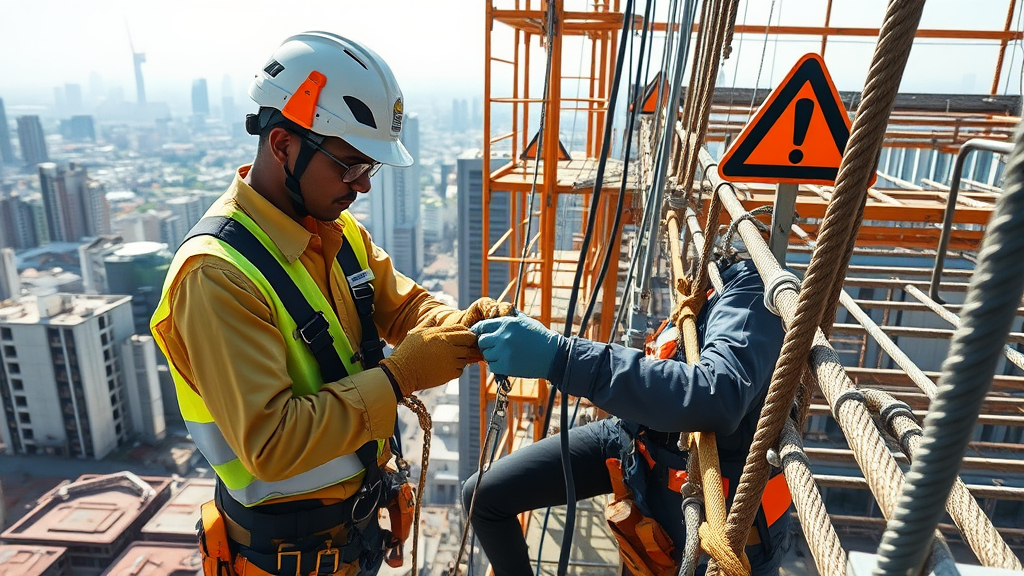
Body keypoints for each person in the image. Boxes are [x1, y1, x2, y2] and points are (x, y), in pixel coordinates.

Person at [151, 32, 507, 576]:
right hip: (282, 556)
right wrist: (397, 378)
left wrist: (459, 327)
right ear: (282, 145)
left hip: (352, 535)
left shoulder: (334, 232)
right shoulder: (216, 276)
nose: (361, 186)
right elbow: (272, 443)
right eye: (348, 166)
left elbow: (404, 308)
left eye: (370, 169)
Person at [466, 257, 792, 576]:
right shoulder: (702, 300)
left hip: (716, 512)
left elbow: (717, 395)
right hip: (637, 446)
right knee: (483, 497)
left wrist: (562, 357)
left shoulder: (750, 289)